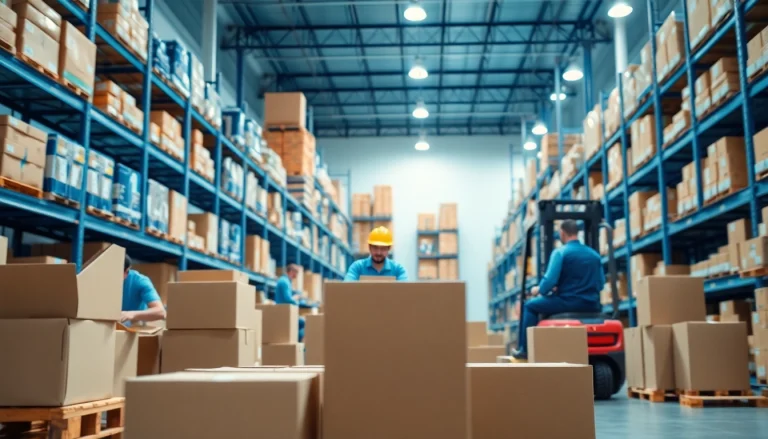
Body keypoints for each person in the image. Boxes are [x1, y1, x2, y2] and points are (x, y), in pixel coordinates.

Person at [511, 220, 604, 360]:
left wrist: (539, 289)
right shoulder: (594, 255)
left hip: (568, 302)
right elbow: (601, 284)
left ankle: (524, 350)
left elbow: (549, 282)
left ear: (562, 233)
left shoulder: (560, 253)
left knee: (529, 306)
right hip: (592, 304)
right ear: (576, 232)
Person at [121, 254, 166, 324]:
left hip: (134, 325)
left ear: (127, 271)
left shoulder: (140, 281)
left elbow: (160, 312)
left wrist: (130, 314)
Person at [275, 263, 306, 341]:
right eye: (296, 273)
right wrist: (296, 298)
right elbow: (287, 299)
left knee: (302, 322)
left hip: (284, 310)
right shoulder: (284, 282)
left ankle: (296, 343)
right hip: (283, 312)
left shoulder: (285, 281)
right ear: (291, 271)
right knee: (303, 322)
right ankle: (297, 345)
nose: (296, 276)